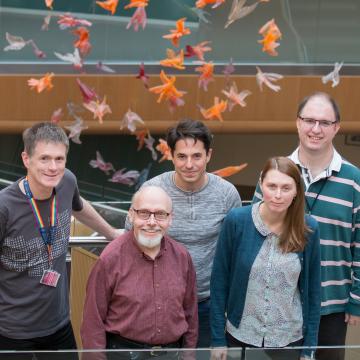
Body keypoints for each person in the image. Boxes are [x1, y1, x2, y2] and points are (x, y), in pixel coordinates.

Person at [253, 92, 360, 360]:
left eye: (325, 122)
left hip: (331, 304)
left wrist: (356, 300)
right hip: (277, 300)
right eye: (309, 120)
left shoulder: (355, 180)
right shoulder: (273, 175)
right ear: (297, 123)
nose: (316, 129)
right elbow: (254, 235)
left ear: (336, 127)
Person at [0, 122, 119, 358]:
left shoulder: (67, 182)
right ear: (26, 159)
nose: (53, 167)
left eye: (59, 159)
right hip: (12, 330)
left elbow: (79, 206)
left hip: (58, 324)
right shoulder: (4, 206)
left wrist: (111, 234)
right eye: (44, 158)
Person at [128, 119, 241, 347]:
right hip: (159, 301)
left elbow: (236, 250)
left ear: (208, 155)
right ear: (171, 155)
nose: (189, 164)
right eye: (182, 156)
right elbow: (130, 240)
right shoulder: (152, 190)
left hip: (209, 302)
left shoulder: (227, 194)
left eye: (197, 156)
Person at [211, 157, 321, 360]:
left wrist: (309, 348)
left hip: (288, 340)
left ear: (297, 190)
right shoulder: (237, 221)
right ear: (261, 184)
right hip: (240, 336)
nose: (278, 195)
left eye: (286, 188)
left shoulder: (309, 228)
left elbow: (313, 292)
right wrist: (218, 339)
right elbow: (219, 283)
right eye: (272, 186)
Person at [81, 186, 198, 359]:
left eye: (160, 214)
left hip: (172, 354)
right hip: (123, 354)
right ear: (131, 214)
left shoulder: (182, 256)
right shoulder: (110, 258)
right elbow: (93, 321)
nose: (151, 222)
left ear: (170, 218)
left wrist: (188, 355)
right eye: (143, 213)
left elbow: (191, 313)